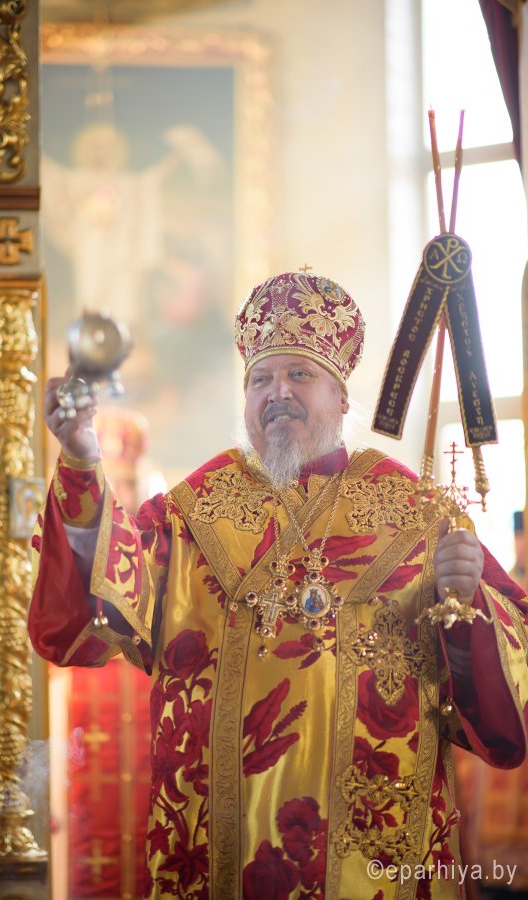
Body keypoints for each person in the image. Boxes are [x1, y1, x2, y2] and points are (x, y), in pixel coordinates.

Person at [29, 271, 528, 900]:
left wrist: (467, 600)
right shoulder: (191, 513)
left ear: (341, 398)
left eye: (299, 374)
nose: (278, 392)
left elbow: (506, 705)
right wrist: (81, 457)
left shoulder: (417, 514)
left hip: (374, 864)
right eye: (261, 379)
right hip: (219, 859)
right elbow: (91, 613)